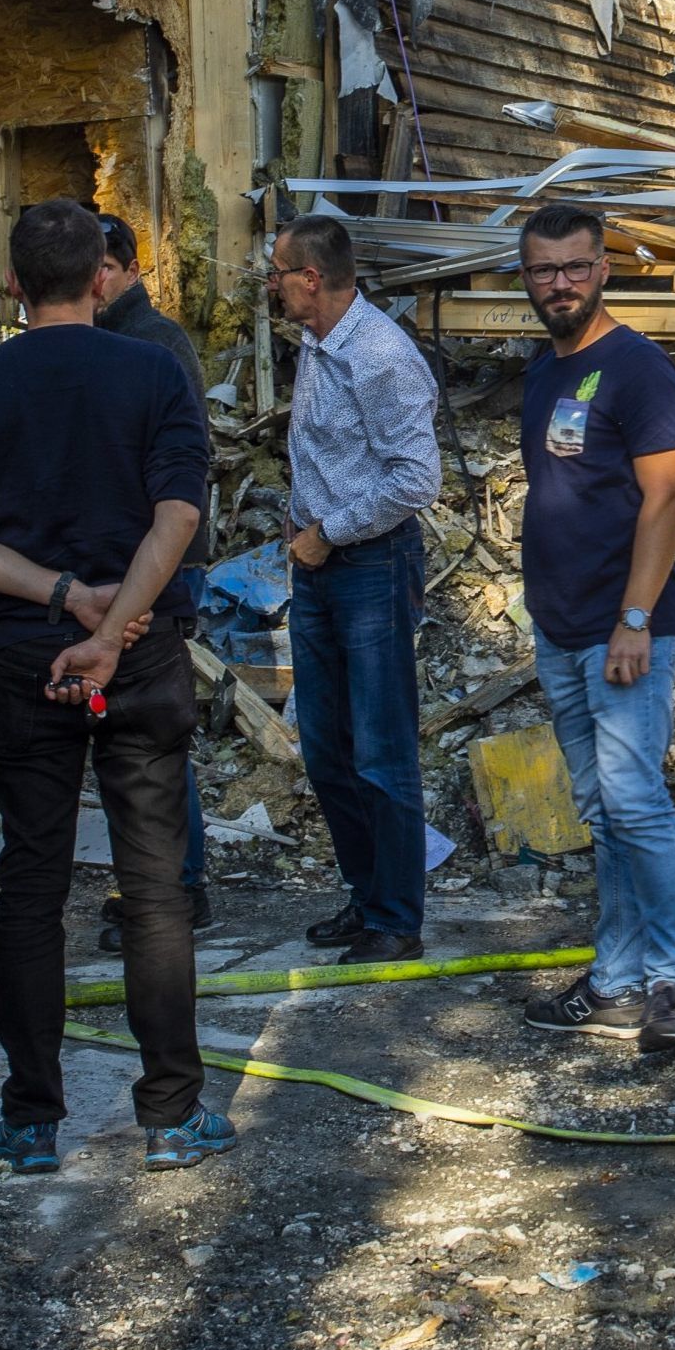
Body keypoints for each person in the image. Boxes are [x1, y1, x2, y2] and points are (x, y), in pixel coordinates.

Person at [0, 197, 233, 1177]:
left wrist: (63, 597)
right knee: (153, 890)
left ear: (13, 284)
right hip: (136, 655)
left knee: (31, 885)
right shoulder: (151, 370)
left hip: (28, 654)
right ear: (102, 273)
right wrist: (116, 620)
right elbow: (179, 512)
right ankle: (173, 1115)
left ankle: (30, 1120)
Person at [510, 201, 675, 1052]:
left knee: (634, 799)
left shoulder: (637, 369)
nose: (560, 282)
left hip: (627, 629)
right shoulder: (542, 373)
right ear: (527, 277)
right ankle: (617, 979)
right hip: (562, 629)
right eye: (544, 269)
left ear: (604, 268)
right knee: (604, 809)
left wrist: (633, 617)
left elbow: (665, 496)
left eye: (576, 266)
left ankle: (674, 981)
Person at [270, 213, 444, 965]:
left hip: (368, 564)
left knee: (380, 749)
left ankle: (397, 920)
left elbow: (417, 478)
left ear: (311, 278)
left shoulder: (380, 354)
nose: (270, 284)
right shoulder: (315, 342)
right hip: (317, 563)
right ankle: (367, 894)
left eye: (278, 272)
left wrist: (329, 530)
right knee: (327, 748)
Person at [92, 212, 215, 949]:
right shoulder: (104, 340)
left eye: (106, 267)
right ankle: (156, 879)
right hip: (118, 567)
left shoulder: (158, 343)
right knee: (123, 730)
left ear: (131, 269)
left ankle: (181, 885)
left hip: (160, 566)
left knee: (151, 732)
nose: (95, 281)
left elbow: (182, 473)